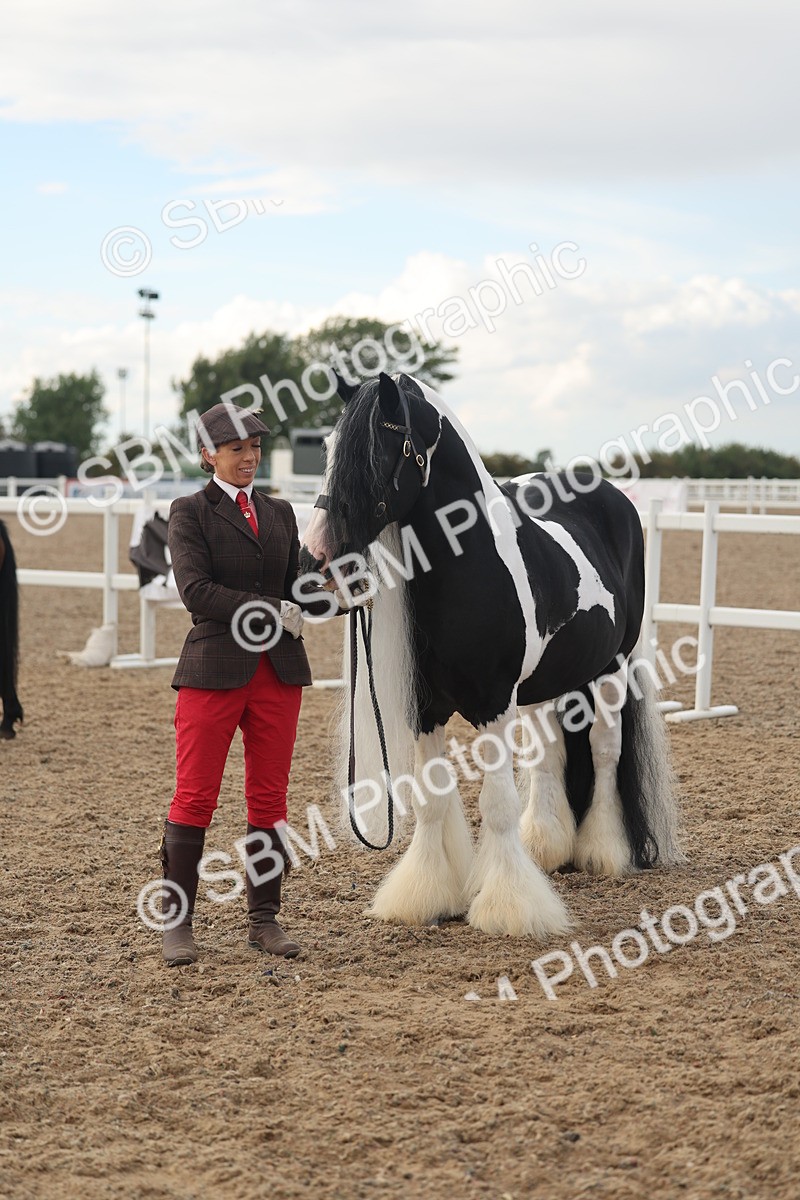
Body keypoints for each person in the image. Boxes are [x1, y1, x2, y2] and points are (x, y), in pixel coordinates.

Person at [158, 401, 336, 967]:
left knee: (269, 798)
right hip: (213, 671)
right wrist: (268, 607)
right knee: (195, 795)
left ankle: (264, 919)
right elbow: (196, 591)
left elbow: (298, 588)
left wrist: (335, 593)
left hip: (277, 674)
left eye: (255, 448)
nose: (249, 458)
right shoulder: (189, 511)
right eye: (237, 449)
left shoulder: (281, 512)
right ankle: (178, 923)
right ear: (209, 454)